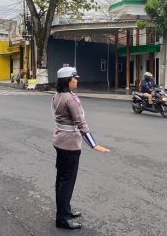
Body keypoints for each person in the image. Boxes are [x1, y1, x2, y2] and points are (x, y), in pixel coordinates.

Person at [52, 66, 110, 230]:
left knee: (62, 179)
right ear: (67, 80)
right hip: (69, 145)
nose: (77, 80)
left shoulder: (58, 96)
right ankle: (62, 218)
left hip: (60, 141)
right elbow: (81, 124)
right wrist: (94, 144)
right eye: (74, 78)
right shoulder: (70, 99)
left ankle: (64, 211)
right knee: (67, 181)